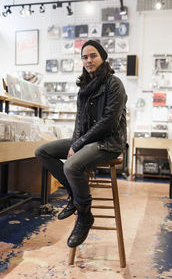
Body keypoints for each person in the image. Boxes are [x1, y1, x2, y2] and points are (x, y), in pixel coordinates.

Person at [35, 40, 127, 248]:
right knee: (42, 151)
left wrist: (78, 145)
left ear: (103, 57)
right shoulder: (84, 87)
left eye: (93, 55)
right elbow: (79, 122)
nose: (88, 60)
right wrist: (75, 142)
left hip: (108, 141)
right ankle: (76, 196)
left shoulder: (114, 84)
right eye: (84, 57)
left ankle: (85, 215)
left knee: (71, 165)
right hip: (88, 138)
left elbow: (108, 123)